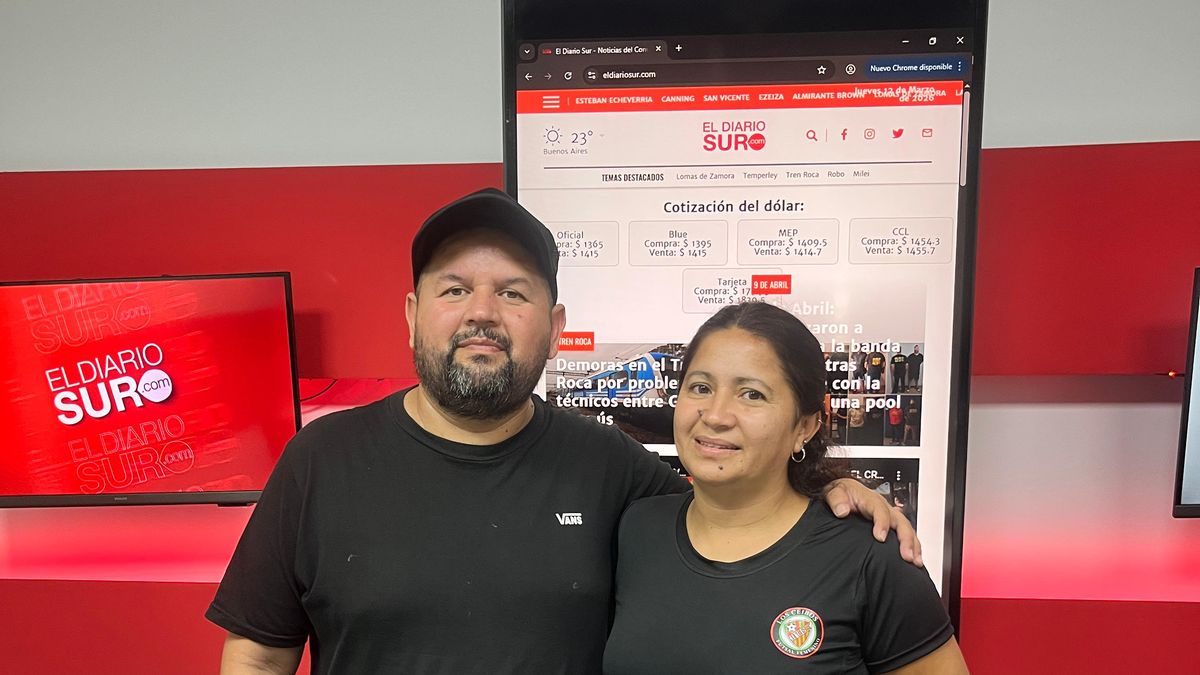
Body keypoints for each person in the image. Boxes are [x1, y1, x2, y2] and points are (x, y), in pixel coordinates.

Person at [206, 188, 921, 674]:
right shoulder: (321, 461)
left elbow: (737, 507)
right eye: (454, 289)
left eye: (512, 293)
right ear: (413, 315)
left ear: (553, 327)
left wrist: (834, 491)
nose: (481, 312)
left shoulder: (608, 463)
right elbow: (258, 655)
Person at [604, 302, 967, 673]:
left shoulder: (871, 556)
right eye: (700, 387)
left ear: (804, 427)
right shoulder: (638, 530)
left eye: (752, 394)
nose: (715, 415)